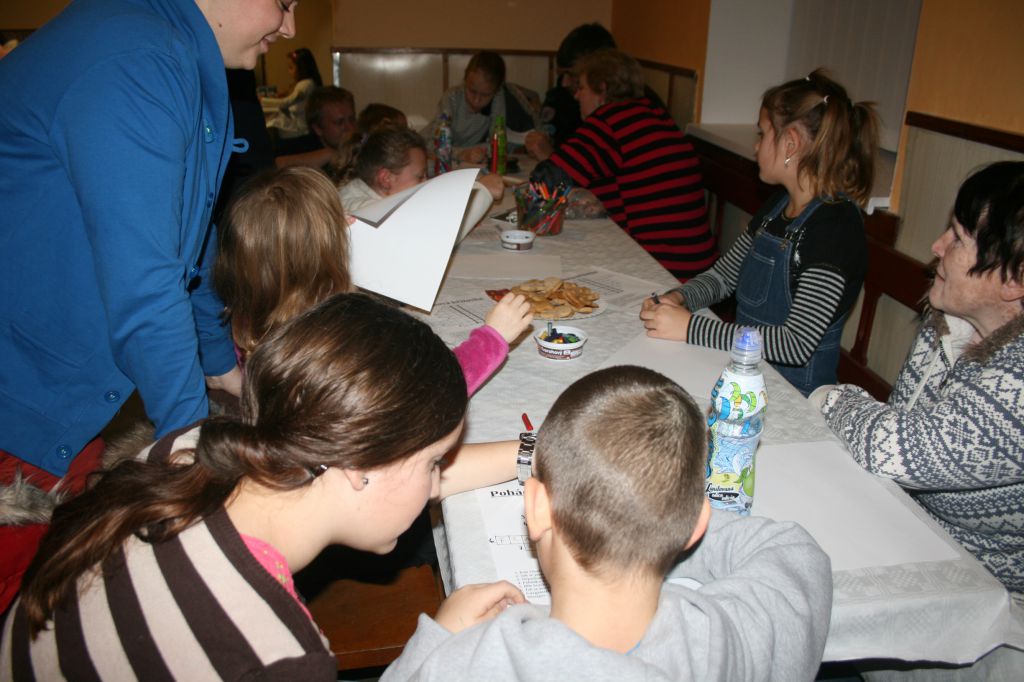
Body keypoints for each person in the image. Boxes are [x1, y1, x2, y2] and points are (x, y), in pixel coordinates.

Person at [0, 293, 526, 678]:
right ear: (359, 464)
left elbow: (396, 479)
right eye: (434, 462)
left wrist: (535, 452)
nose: (436, 486)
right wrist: (433, 657)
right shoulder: (275, 658)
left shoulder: (189, 449)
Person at [0, 0, 295, 612]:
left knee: (52, 578)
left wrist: (219, 365)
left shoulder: (176, 53)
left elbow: (188, 235)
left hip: (54, 382)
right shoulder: (137, 58)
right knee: (25, 599)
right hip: (21, 391)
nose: (289, 27)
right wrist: (193, 451)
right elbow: (147, 285)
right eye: (284, 2)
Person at [382, 365, 833, 681]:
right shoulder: (729, 640)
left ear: (534, 508)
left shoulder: (468, 663)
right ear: (695, 527)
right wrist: (660, 515)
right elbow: (797, 555)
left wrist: (437, 639)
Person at [817, 162, 1024, 604]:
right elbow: (897, 432)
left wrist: (828, 395)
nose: (937, 246)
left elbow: (893, 447)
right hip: (914, 532)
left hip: (993, 594)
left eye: (958, 238)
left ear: (1015, 279)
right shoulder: (949, 321)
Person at [640, 69, 879, 396]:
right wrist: (679, 298)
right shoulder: (778, 206)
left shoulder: (835, 229)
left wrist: (691, 327)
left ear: (791, 143)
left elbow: (796, 344)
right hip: (749, 376)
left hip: (796, 395)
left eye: (763, 133)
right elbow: (723, 277)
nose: (755, 146)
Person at [217, 166, 529, 395]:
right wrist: (493, 338)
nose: (351, 220)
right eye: (336, 220)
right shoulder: (340, 339)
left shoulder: (247, 319)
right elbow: (432, 391)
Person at [530, 48, 717, 283]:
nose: (576, 96)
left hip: (664, 271)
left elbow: (545, 182)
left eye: (582, 88)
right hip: (702, 269)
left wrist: (547, 155)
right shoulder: (654, 113)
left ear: (602, 89)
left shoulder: (610, 121)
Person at [338, 127, 505, 243]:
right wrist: (481, 192)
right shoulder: (360, 211)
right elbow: (431, 237)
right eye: (420, 177)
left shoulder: (367, 192)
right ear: (386, 178)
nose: (426, 182)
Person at [524, 22, 666, 156]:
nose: (565, 83)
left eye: (572, 75)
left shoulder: (637, 111)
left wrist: (550, 156)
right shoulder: (567, 96)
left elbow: (589, 168)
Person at [421, 51, 541, 163]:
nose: (476, 100)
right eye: (472, 91)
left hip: (460, 158)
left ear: (496, 91)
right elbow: (434, 145)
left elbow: (497, 144)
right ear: (465, 80)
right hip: (425, 147)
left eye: (485, 95)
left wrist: (475, 152)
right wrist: (461, 154)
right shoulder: (452, 97)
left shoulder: (498, 97)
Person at [274, 85, 357, 174]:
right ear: (318, 129)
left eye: (352, 119)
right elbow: (274, 165)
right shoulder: (299, 148)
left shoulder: (359, 144)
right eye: (339, 122)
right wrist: (328, 155)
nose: (350, 128)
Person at [262, 46, 322, 144]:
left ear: (301, 68)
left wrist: (263, 100)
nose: (289, 72)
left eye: (291, 68)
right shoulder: (305, 84)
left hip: (299, 128)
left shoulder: (306, 85)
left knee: (269, 124)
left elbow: (286, 102)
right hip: (297, 124)